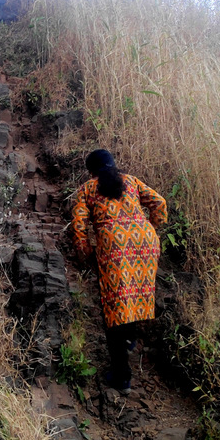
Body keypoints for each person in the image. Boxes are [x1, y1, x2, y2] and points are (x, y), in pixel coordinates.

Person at [71, 149, 167, 393]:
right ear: (114, 165)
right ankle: (130, 340)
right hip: (145, 243)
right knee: (133, 293)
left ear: (91, 170)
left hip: (114, 246)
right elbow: (159, 203)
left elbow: (79, 224)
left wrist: (85, 252)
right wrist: (152, 230)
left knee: (114, 305)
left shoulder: (88, 189)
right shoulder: (131, 181)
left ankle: (122, 376)